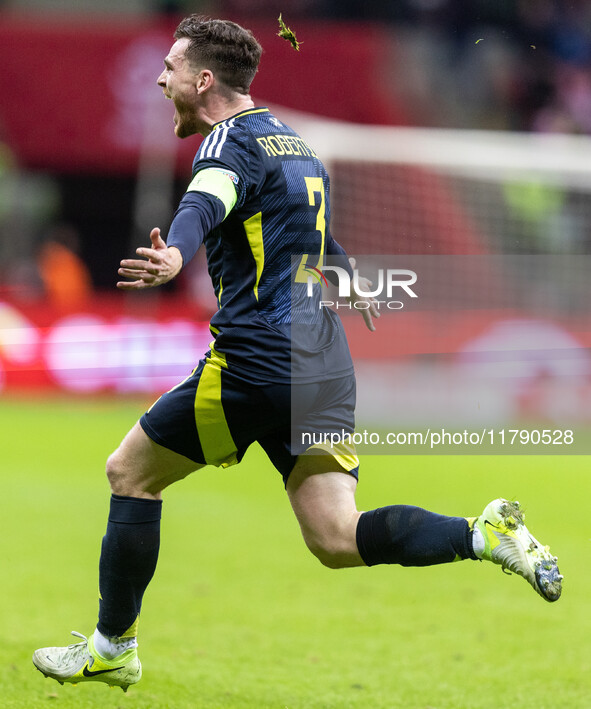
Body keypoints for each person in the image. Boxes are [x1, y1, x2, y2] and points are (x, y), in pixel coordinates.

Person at [33, 15, 562, 693]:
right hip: (321, 361)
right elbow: (310, 235)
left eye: (169, 67)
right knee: (336, 536)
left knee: (129, 472)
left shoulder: (226, 143)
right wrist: (347, 281)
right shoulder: (294, 143)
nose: (159, 79)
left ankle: (112, 646)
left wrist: (175, 251)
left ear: (202, 79)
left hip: (260, 358)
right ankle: (480, 533)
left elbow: (207, 198)